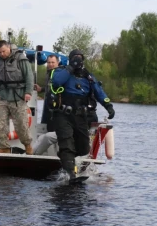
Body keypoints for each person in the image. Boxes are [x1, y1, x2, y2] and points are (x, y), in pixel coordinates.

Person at [48, 49, 115, 180]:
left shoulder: (88, 77)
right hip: (62, 115)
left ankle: (65, 157)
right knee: (67, 144)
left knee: (84, 147)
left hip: (80, 116)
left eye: (80, 58)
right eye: (75, 58)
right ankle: (70, 174)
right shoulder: (61, 72)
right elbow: (56, 82)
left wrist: (108, 106)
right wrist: (70, 68)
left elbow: (99, 92)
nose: (78, 60)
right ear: (70, 59)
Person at [0, 40, 34, 155]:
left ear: (9, 48)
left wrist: (28, 92)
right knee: (0, 123)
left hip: (18, 97)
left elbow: (29, 76)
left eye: (3, 51)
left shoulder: (20, 58)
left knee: (21, 124)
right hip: (4, 97)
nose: (2, 54)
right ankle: (4, 147)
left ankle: (28, 146)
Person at [33, 54, 60, 155]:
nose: (50, 64)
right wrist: (42, 89)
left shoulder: (59, 74)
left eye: (53, 62)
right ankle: (46, 152)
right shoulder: (49, 73)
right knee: (47, 127)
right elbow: (50, 88)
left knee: (54, 131)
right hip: (48, 108)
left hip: (56, 108)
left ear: (58, 63)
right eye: (49, 62)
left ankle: (57, 153)